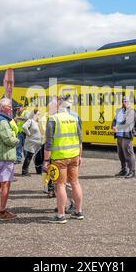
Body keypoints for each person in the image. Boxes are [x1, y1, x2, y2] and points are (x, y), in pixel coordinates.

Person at [44, 96, 84, 224]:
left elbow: (48, 143)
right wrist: (80, 156)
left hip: (59, 157)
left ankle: (61, 215)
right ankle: (78, 212)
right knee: (75, 183)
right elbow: (80, 140)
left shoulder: (53, 119)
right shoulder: (74, 119)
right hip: (74, 156)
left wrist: (46, 161)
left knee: (59, 185)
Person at [112, 96, 136, 179]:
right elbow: (114, 120)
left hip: (127, 135)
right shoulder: (119, 111)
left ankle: (132, 171)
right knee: (121, 154)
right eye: (123, 101)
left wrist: (118, 127)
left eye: (126, 101)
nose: (124, 103)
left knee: (129, 153)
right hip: (119, 136)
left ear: (129, 103)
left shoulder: (131, 111)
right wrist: (113, 126)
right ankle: (124, 170)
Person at [21, 109, 43, 176]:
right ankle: (24, 171)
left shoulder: (39, 122)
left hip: (39, 143)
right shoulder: (30, 121)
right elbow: (24, 127)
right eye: (37, 114)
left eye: (39, 114)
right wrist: (28, 134)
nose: (38, 116)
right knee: (29, 156)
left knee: (38, 157)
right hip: (32, 142)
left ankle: (39, 170)